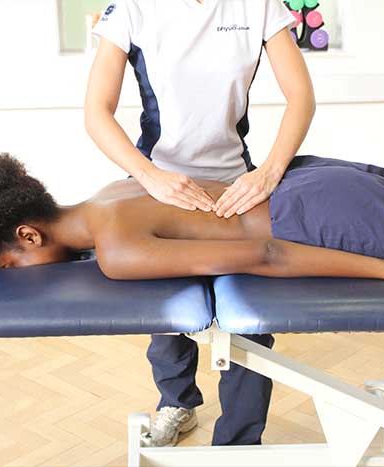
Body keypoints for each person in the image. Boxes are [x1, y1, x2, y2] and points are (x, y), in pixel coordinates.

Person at [84, 0, 316, 446]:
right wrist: (151, 178)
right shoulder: (132, 9)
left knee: (249, 313)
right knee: (167, 304)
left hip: (234, 180)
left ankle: (241, 441)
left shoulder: (260, 5)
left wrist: (268, 173)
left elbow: (301, 97)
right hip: (159, 182)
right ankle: (177, 402)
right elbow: (97, 111)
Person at [0, 152, 384, 282]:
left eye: (13, 262)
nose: (22, 270)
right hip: (312, 176)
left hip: (320, 212)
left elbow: (266, 254)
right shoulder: (117, 186)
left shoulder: (118, 251)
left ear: (27, 233)